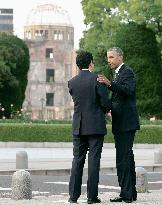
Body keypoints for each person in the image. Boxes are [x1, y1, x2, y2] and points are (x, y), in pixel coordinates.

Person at [68, 50, 111, 204]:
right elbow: (106, 104)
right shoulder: (98, 80)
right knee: (94, 161)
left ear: (77, 64)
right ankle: (91, 197)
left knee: (77, 160)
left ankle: (73, 196)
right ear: (91, 63)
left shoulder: (72, 82)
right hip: (95, 126)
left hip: (79, 126)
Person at [98, 47, 140, 203]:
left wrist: (109, 84)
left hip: (126, 124)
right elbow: (120, 98)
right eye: (108, 57)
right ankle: (131, 193)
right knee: (127, 158)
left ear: (120, 57)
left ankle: (126, 194)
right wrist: (110, 108)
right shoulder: (118, 74)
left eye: (111, 57)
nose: (109, 60)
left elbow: (129, 91)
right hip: (122, 122)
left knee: (122, 159)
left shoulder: (126, 72)